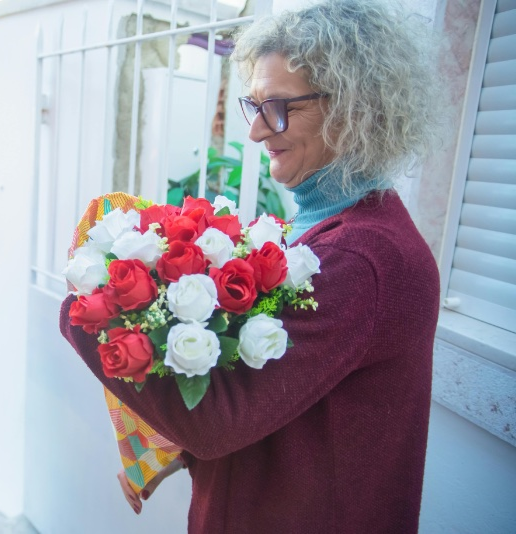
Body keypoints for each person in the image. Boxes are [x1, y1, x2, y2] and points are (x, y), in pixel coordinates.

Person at [60, 1, 443, 531]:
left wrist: (87, 305)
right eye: (254, 106)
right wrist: (173, 449)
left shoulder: (362, 259)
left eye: (281, 107)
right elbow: (281, 398)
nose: (258, 133)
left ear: (358, 109)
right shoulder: (335, 231)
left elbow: (219, 421)